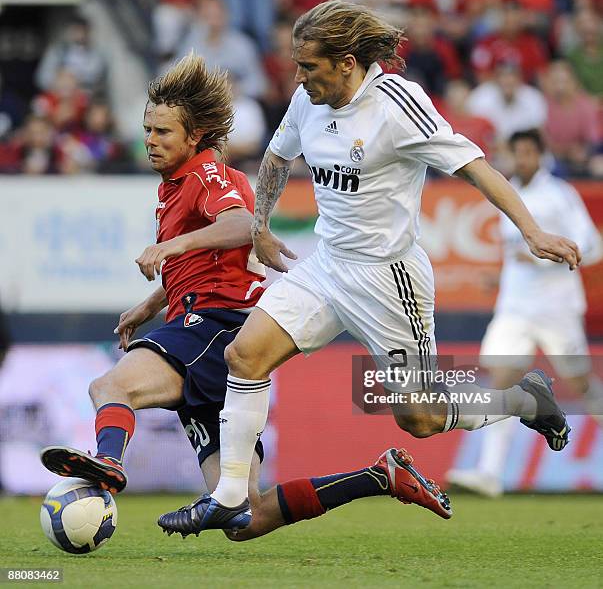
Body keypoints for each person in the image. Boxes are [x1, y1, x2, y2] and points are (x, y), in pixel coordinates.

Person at [157, 0, 581, 537]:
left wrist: (533, 230)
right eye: (297, 65)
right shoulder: (308, 98)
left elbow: (475, 165)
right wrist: (260, 225)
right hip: (327, 264)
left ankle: (525, 398)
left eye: (309, 66)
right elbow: (276, 157)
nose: (299, 76)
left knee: (420, 420)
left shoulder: (398, 104)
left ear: (347, 61)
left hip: (388, 279)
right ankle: (229, 493)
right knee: (245, 355)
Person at [39, 53, 453, 541]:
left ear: (195, 137)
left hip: (214, 329)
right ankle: (379, 477)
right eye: (148, 130)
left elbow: (240, 227)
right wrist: (153, 303)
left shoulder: (206, 175)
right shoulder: (176, 188)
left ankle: (106, 464)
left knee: (110, 389)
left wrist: (169, 245)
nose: (150, 141)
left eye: (163, 132)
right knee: (244, 516)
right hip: (213, 330)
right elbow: (207, 264)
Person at [446, 129, 603, 497]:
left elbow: (591, 246)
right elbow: (515, 255)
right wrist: (500, 276)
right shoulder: (507, 193)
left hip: (557, 309)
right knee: (500, 381)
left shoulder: (558, 195)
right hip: (514, 309)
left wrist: (545, 259)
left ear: (541, 154)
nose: (524, 159)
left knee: (581, 386)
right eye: (518, 153)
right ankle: (489, 472)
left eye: (531, 152)